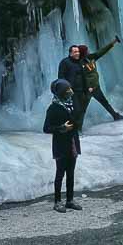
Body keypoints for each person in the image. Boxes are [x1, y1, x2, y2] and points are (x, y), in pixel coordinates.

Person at [44, 78, 82, 213]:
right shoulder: (53, 108)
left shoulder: (72, 104)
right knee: (60, 174)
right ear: (61, 93)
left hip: (72, 143)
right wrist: (61, 128)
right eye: (67, 90)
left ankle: (70, 200)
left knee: (71, 173)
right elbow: (46, 128)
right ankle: (57, 201)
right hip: (61, 145)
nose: (70, 91)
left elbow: (77, 119)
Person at [79, 38, 123, 125]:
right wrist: (86, 87)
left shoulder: (91, 58)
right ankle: (77, 128)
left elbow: (101, 52)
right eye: (87, 51)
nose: (88, 51)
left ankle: (115, 116)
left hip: (95, 87)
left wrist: (113, 42)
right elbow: (79, 78)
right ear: (83, 53)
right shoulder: (79, 64)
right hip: (88, 89)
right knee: (83, 109)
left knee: (105, 102)